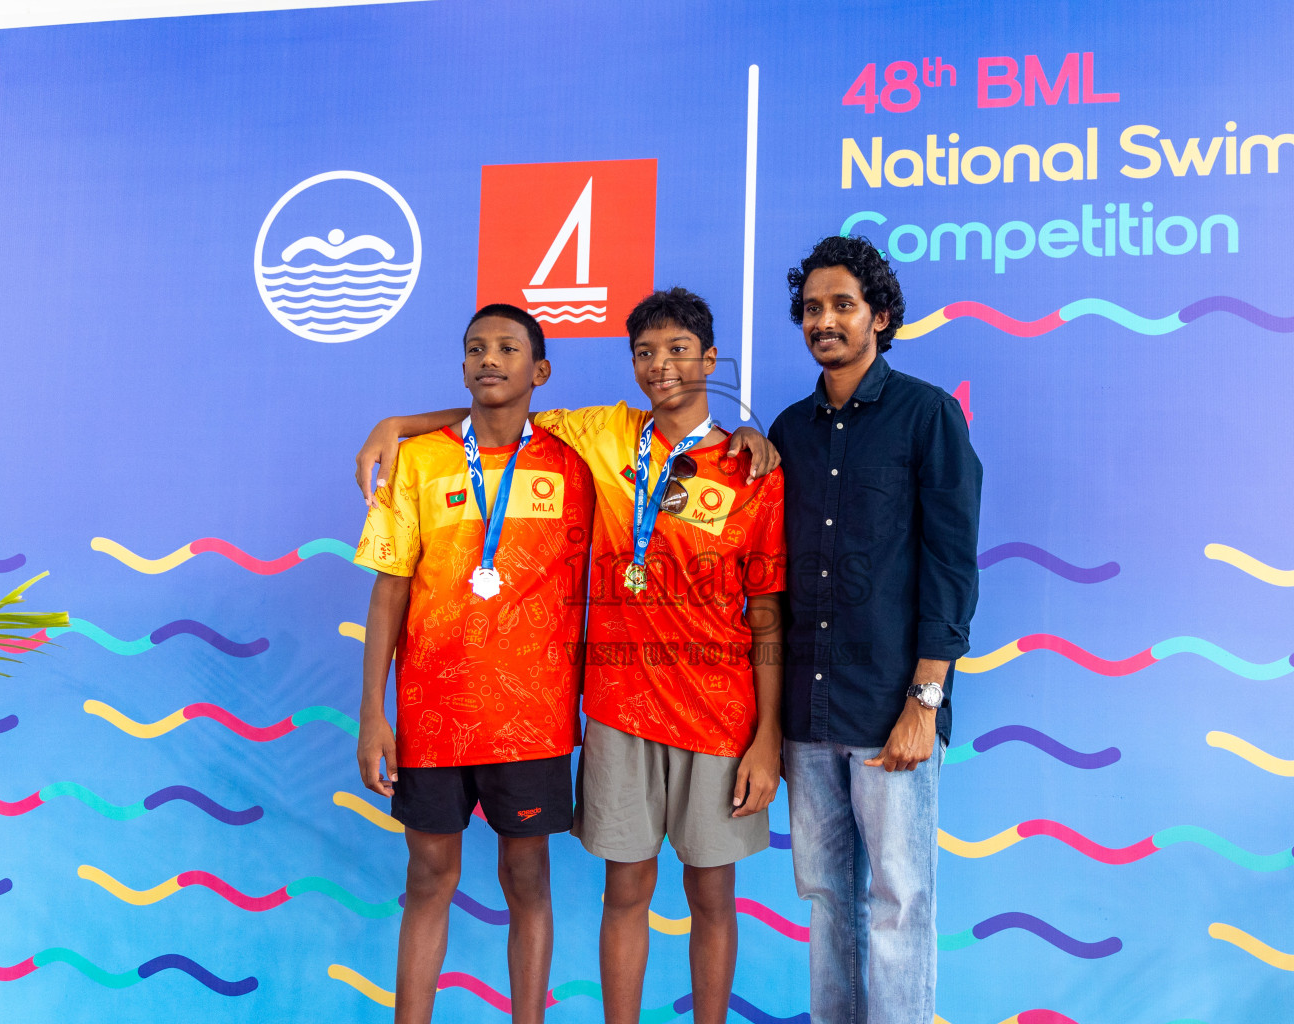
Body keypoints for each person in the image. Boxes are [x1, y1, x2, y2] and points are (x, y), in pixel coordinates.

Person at [355, 288, 787, 1024]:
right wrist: (397, 423)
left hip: (704, 715)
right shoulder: (601, 436)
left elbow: (768, 605)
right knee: (617, 893)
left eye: (678, 351)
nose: (661, 366)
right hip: (605, 710)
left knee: (705, 894)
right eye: (645, 353)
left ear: (710, 361)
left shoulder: (748, 469)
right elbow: (495, 413)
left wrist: (768, 736)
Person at [354, 303, 594, 1024]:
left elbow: (671, 431)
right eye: (475, 348)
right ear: (461, 366)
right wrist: (373, 714)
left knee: (528, 879)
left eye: (508, 348)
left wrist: (741, 432)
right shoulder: (419, 461)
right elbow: (388, 591)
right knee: (429, 878)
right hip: (431, 718)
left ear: (540, 370)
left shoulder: (575, 460)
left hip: (532, 719)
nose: (489, 359)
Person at [767, 235, 981, 1024]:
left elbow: (952, 564)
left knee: (900, 898)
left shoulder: (928, 415)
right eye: (813, 309)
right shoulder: (788, 432)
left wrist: (926, 700)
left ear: (879, 316)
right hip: (808, 714)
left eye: (843, 305)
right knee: (828, 901)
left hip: (894, 707)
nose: (825, 320)